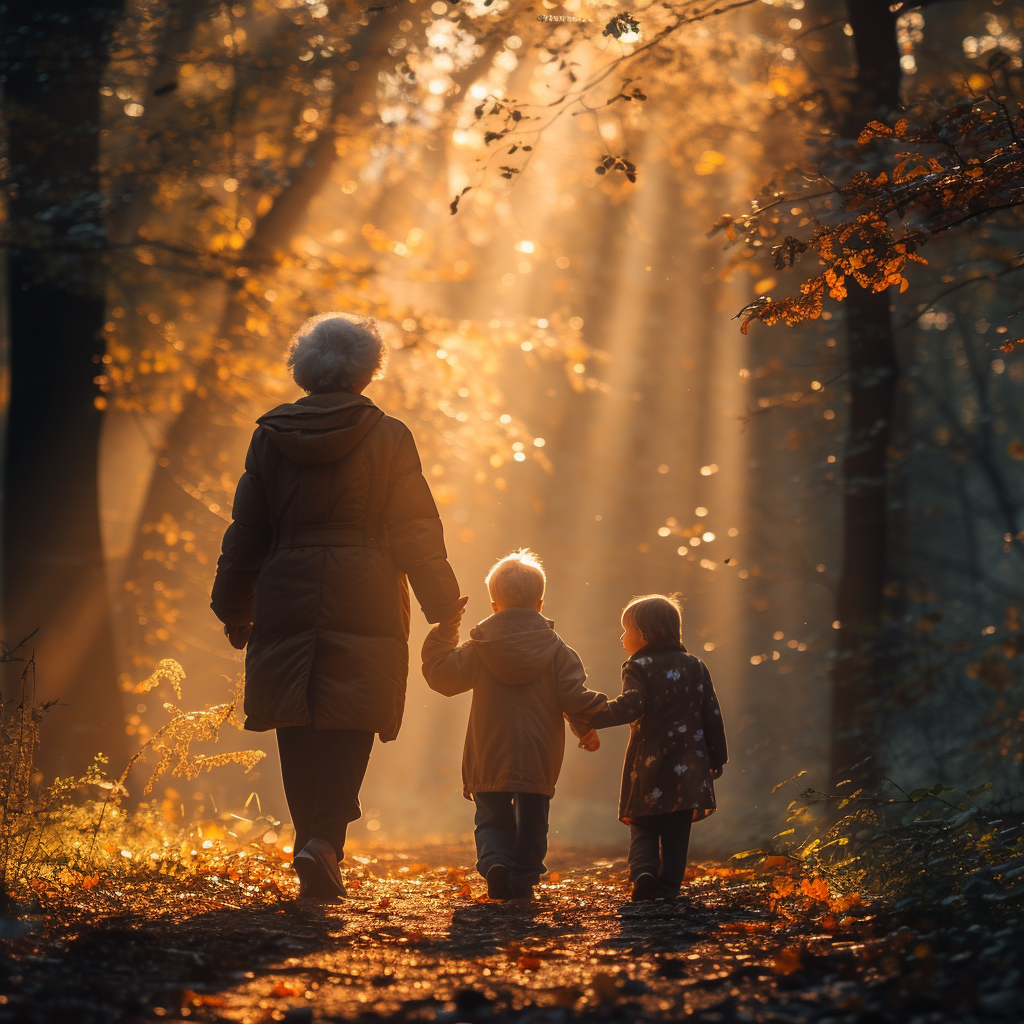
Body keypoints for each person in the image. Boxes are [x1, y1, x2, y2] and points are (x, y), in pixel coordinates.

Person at [211, 312, 465, 900]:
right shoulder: (389, 436)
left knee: (296, 713)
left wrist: (234, 604)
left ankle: (309, 840)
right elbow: (414, 527)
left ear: (303, 367)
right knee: (354, 712)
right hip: (368, 585)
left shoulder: (269, 435)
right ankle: (325, 841)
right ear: (366, 369)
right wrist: (442, 601)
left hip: (286, 582)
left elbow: (247, 527)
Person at [421, 549, 606, 900]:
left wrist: (446, 632)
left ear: (494, 605)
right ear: (539, 603)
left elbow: (443, 677)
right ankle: (523, 877)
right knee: (534, 820)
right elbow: (574, 697)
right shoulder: (558, 650)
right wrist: (588, 727)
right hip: (537, 752)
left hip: (489, 749)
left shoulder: (479, 647)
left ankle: (495, 863)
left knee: (491, 817)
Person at [578, 594, 728, 902]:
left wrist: (593, 715)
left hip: (650, 765)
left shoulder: (638, 666)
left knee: (644, 825)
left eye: (626, 630)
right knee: (677, 832)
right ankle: (669, 889)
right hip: (689, 767)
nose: (622, 637)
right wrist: (717, 755)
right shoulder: (696, 666)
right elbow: (711, 712)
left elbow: (631, 706)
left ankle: (644, 873)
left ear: (643, 635)